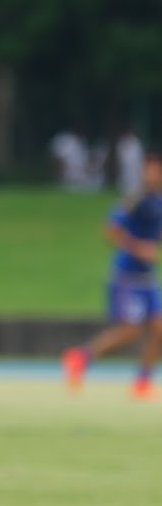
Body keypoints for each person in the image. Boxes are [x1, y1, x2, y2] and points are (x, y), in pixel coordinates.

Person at [61, 151, 162, 400]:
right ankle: (81, 357)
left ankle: (142, 382)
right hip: (126, 276)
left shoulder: (159, 200)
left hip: (147, 278)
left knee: (160, 329)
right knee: (130, 332)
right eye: (148, 169)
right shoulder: (135, 199)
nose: (151, 174)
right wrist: (138, 248)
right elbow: (110, 229)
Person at [114, 125, 144, 197]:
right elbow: (120, 154)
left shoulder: (136, 142)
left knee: (134, 182)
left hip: (134, 167)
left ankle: (134, 195)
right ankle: (125, 195)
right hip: (125, 166)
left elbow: (139, 156)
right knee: (124, 180)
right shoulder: (122, 142)